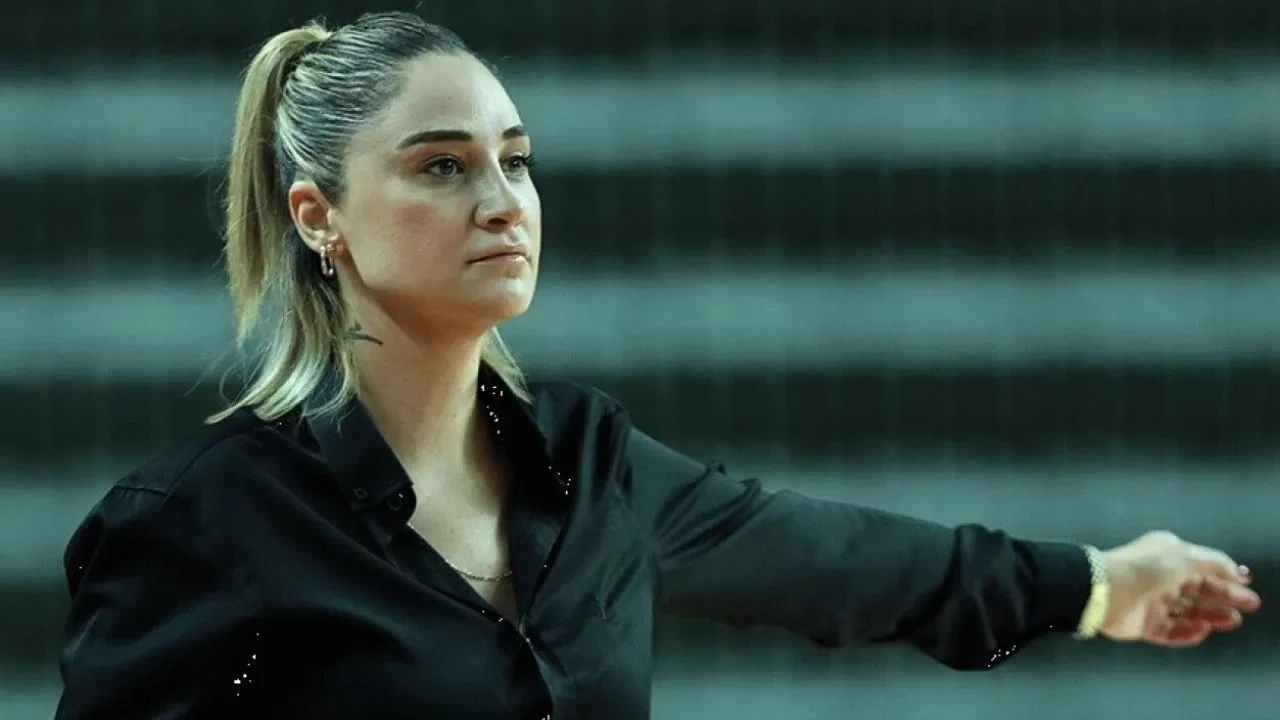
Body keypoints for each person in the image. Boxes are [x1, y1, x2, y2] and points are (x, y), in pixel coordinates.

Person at [54, 11, 1261, 720]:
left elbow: (852, 564)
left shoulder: (591, 466)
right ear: (319, 217)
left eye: (516, 159)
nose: (502, 200)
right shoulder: (202, 521)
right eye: (441, 166)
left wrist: (1098, 584)